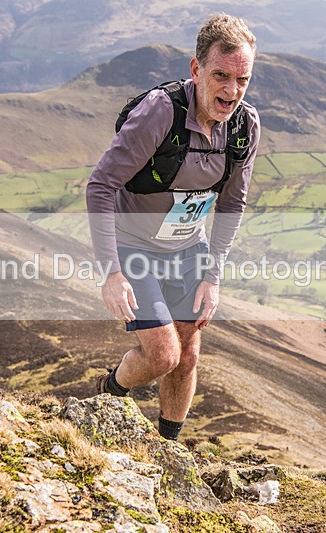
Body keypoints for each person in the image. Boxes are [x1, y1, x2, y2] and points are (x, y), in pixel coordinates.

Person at [86, 13, 260, 441]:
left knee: (188, 357)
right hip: (134, 246)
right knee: (163, 356)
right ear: (196, 69)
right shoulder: (159, 113)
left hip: (187, 248)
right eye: (221, 75)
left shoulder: (244, 128)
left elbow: (233, 204)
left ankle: (169, 448)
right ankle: (110, 389)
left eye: (243, 79)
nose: (231, 91)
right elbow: (101, 185)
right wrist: (112, 272)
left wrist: (212, 277)